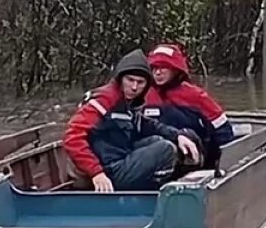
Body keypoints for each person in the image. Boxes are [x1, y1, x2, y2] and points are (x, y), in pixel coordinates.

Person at [62, 49, 201, 192]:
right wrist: (97, 173)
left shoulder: (128, 102)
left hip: (120, 157)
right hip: (107, 171)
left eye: (140, 82)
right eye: (130, 80)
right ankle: (153, 193)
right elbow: (72, 137)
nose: (134, 87)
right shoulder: (105, 100)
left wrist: (177, 136)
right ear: (120, 78)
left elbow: (146, 124)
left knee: (158, 141)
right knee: (164, 149)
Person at [144, 42, 235, 170]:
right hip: (154, 157)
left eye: (163, 67)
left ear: (175, 69)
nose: (158, 72)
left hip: (192, 158)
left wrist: (225, 163)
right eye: (154, 68)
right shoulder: (143, 95)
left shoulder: (195, 95)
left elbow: (222, 129)